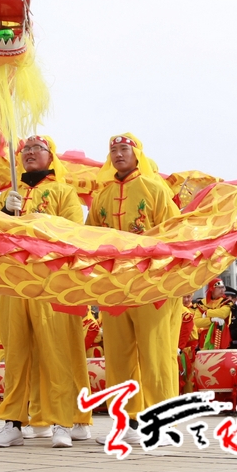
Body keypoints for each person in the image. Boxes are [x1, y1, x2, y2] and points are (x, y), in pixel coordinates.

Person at [0, 134, 93, 449]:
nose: (30, 153)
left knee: (57, 352)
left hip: (51, 283)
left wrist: (43, 223)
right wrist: (3, 212)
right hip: (13, 283)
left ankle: (63, 420)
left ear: (51, 156)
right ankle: (12, 422)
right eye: (26, 149)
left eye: (38, 148)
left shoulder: (63, 192)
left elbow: (76, 235)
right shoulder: (8, 194)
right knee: (16, 354)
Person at [86, 133, 180, 445]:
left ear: (137, 153)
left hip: (151, 286)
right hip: (114, 288)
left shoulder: (155, 189)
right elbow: (89, 238)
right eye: (113, 150)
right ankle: (126, 422)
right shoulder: (102, 196)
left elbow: (174, 235)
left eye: (124, 149)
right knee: (118, 357)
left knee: (155, 354)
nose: (118, 154)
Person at [194, 279, 234, 350]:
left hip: (221, 335)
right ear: (211, 289)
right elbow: (196, 322)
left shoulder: (226, 302)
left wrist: (207, 313)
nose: (222, 290)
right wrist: (211, 320)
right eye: (219, 288)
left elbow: (223, 313)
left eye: (223, 287)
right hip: (205, 337)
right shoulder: (201, 303)